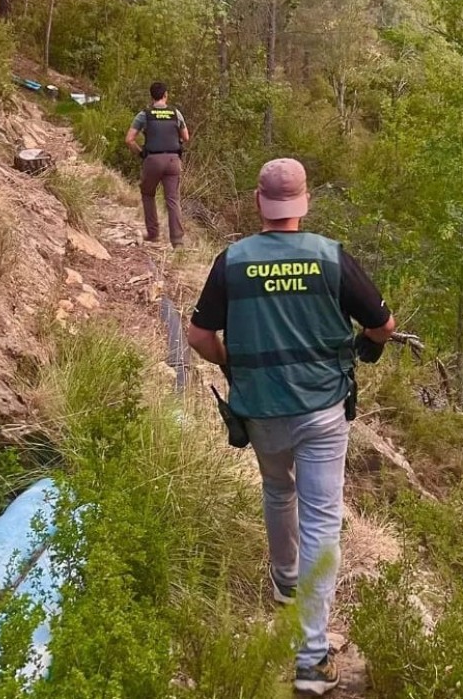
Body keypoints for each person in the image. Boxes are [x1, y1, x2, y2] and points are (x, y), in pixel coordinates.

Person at [187, 158, 395, 696]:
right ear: (304, 204)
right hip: (322, 410)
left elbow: (197, 335)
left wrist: (230, 362)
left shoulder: (231, 262)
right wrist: (366, 350)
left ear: (260, 202)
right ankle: (311, 657)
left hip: (259, 409)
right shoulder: (330, 258)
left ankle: (284, 583)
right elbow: (382, 325)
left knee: (278, 489)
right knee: (322, 518)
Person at [125, 82, 190, 246]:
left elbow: (129, 139)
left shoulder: (144, 115)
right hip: (173, 160)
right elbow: (186, 137)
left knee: (148, 193)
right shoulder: (176, 113)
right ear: (166, 95)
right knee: (173, 199)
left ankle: (153, 233)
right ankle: (177, 240)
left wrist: (141, 153)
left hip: (152, 159)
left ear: (151, 96)